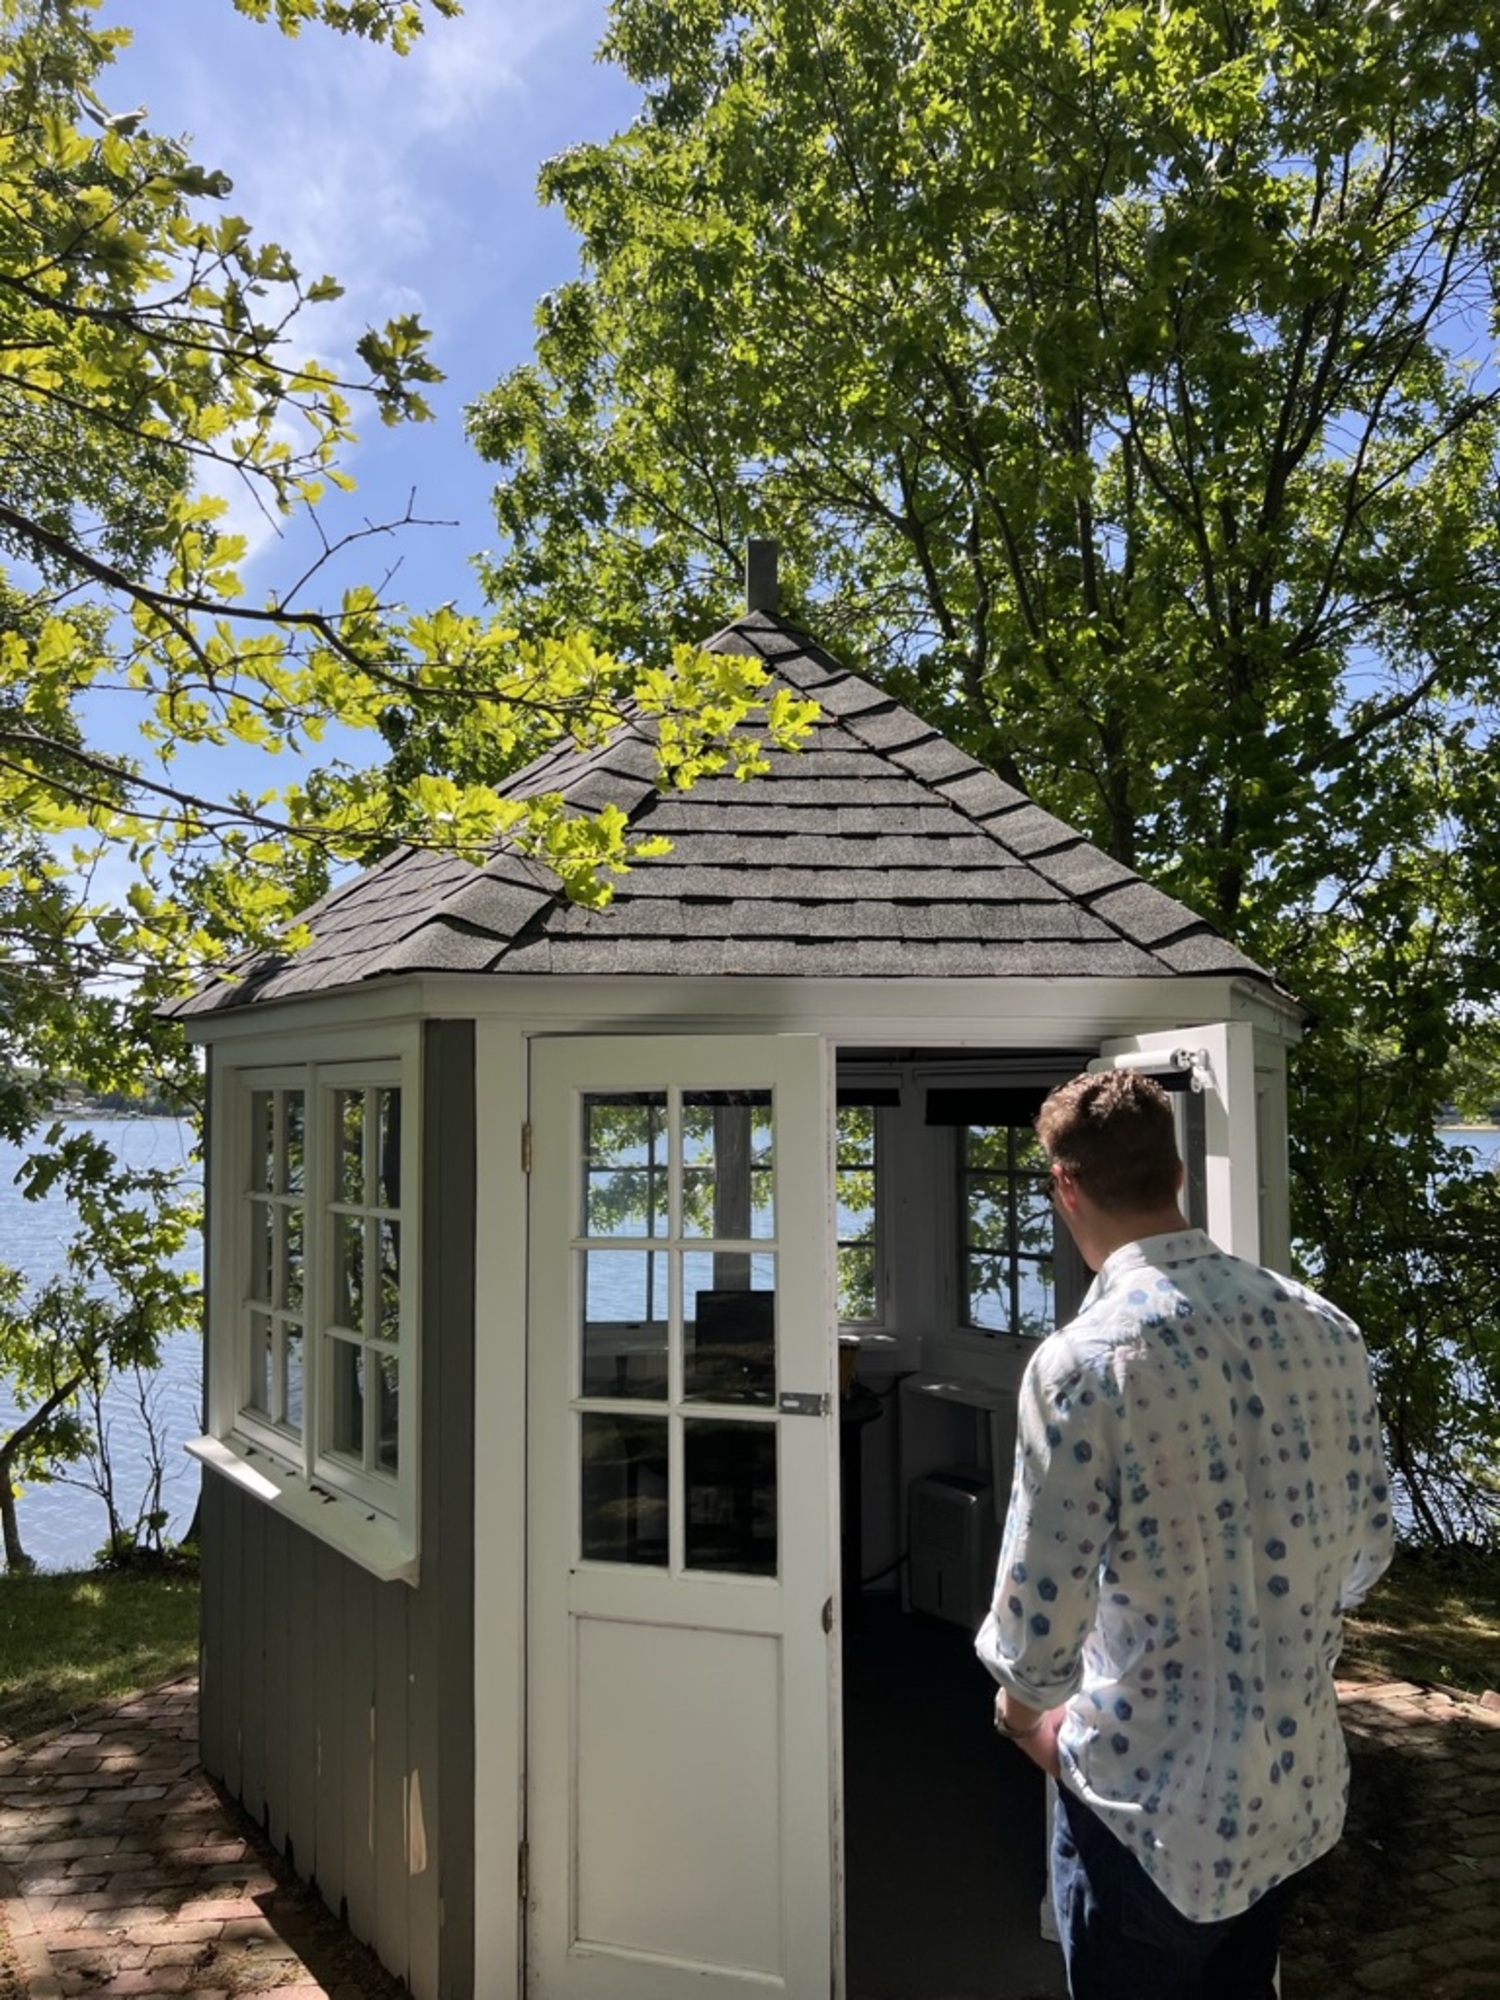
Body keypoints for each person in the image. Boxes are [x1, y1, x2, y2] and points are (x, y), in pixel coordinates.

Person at [975, 1069, 1393, 2000]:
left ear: (1065, 1187)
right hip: (1290, 1802)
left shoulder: (1084, 1364)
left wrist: (1024, 1722)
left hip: (1144, 1819)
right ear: (1174, 1176)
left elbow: (1035, 1646)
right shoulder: (1325, 1329)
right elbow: (1365, 1555)